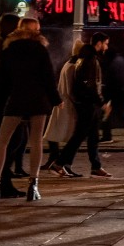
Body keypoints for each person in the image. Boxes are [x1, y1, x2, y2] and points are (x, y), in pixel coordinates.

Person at [0, 18, 59, 203]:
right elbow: (48, 77)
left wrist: (3, 99)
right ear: (36, 31)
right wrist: (56, 100)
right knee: (36, 140)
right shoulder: (40, 49)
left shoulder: (9, 49)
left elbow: (2, 78)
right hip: (38, 100)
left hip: (16, 98)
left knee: (2, 141)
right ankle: (33, 185)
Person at [0, 13, 27, 197]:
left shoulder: (7, 46)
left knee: (13, 140)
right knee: (9, 140)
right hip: (6, 98)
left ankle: (2, 180)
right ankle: (0, 181)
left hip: (9, 96)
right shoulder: (2, 47)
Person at [56, 32, 110, 179]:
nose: (106, 46)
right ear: (98, 43)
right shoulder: (90, 59)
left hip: (87, 103)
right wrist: (101, 103)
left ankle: (96, 166)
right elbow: (91, 84)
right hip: (88, 104)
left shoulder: (84, 57)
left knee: (92, 136)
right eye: (105, 43)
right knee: (79, 135)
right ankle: (60, 162)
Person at [45, 40, 84, 177]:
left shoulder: (68, 64)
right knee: (71, 136)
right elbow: (69, 90)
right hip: (68, 105)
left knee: (62, 133)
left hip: (64, 103)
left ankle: (60, 162)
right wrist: (77, 102)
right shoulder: (72, 66)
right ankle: (62, 164)